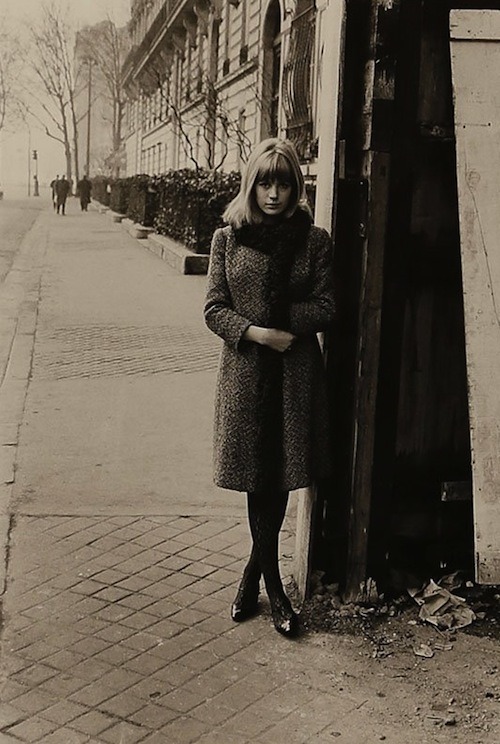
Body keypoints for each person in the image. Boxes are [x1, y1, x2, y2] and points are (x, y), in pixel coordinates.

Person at [204, 138, 335, 637]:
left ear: (295, 185)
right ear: (251, 184)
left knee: (279, 475)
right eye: (265, 182)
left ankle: (254, 579)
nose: (274, 193)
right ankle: (272, 587)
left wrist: (288, 326)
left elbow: (328, 306)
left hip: (295, 375)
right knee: (256, 474)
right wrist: (260, 333)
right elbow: (214, 308)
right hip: (245, 372)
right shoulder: (227, 238)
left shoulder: (314, 240)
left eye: (283, 182)